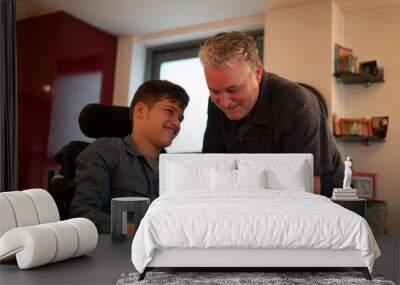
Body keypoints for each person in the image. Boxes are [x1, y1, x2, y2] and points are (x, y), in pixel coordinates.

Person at [199, 31, 344, 197]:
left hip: (325, 206)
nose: (224, 102)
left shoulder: (298, 104)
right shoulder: (215, 104)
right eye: (214, 91)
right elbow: (212, 168)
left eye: (234, 89)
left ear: (258, 73)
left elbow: (309, 189)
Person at [69, 80, 190, 233]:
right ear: (140, 111)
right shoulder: (105, 151)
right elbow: (82, 214)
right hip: (116, 253)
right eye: (169, 111)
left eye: (180, 118)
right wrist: (139, 231)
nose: (176, 123)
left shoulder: (175, 171)